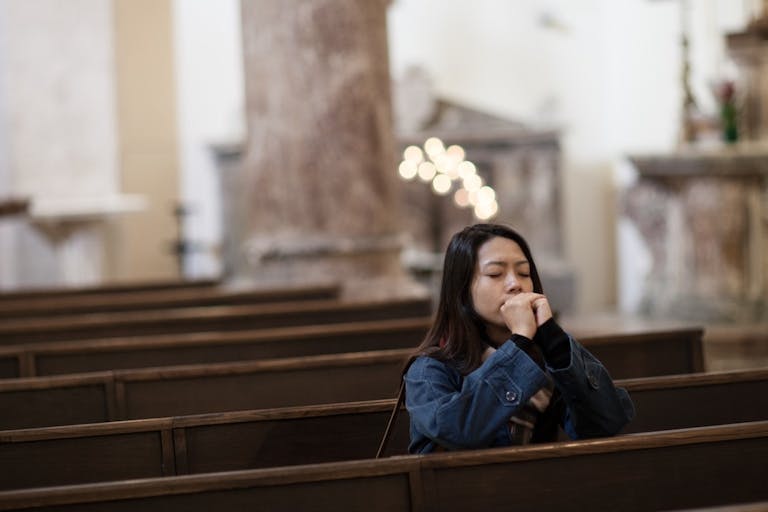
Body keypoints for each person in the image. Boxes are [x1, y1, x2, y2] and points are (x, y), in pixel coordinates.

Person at [403, 223, 634, 453]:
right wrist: (520, 343)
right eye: (495, 274)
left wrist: (554, 340)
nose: (516, 284)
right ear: (461, 291)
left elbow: (604, 426)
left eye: (524, 273)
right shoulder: (428, 370)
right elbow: (459, 431)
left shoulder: (545, 360)